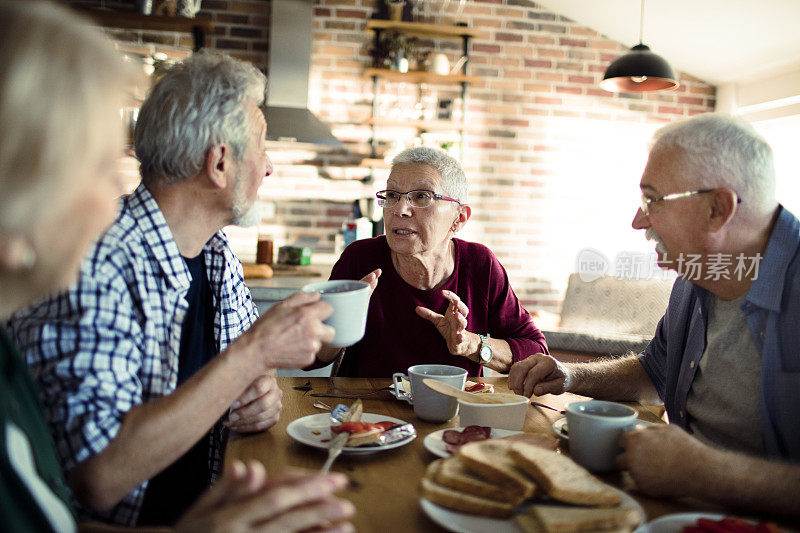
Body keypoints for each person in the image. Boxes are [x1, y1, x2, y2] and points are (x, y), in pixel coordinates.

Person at [7, 20, 337, 529]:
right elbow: (99, 476)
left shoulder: (216, 252)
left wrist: (259, 390)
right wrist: (256, 353)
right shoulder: (97, 259)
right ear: (220, 163)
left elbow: (246, 376)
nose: (269, 167)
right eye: (262, 147)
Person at [509, 113, 800, 519]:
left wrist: (707, 474)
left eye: (653, 200)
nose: (638, 220)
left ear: (718, 208)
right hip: (673, 508)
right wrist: (571, 376)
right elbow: (655, 371)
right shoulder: (694, 275)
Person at [313, 147, 548, 377]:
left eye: (422, 196)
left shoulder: (480, 264)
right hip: (366, 411)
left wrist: (470, 344)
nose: (400, 209)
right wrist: (343, 321)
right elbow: (313, 359)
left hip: (451, 411)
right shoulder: (361, 258)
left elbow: (536, 352)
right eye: (392, 195)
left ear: (459, 218)